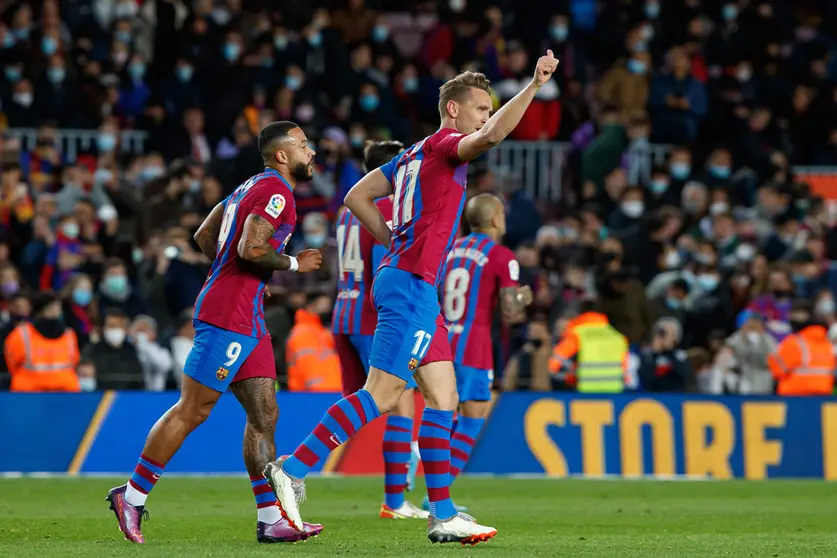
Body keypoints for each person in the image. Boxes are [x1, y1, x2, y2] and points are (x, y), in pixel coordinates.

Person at [265, 51, 560, 545]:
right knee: (382, 394)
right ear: (454, 112)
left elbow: (356, 196)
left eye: (489, 108)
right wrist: (532, 85)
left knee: (443, 397)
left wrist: (392, 237)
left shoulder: (412, 153)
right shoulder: (447, 145)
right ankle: (294, 468)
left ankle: (442, 514)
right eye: (480, 108)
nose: (485, 117)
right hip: (408, 283)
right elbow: (492, 138)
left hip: (415, 284)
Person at [106, 121, 324, 545]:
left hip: (249, 315)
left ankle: (269, 518)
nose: (311, 151)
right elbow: (250, 248)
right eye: (303, 144)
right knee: (194, 410)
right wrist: (295, 265)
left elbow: (206, 235)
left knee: (264, 414)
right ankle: (130, 496)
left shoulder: (248, 187)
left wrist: (232, 272)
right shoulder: (277, 192)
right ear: (282, 154)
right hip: (229, 314)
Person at [331, 140, 429, 519]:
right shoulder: (386, 206)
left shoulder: (346, 213)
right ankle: (394, 499)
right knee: (400, 402)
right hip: (373, 316)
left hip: (345, 312)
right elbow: (386, 259)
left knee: (371, 400)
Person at [438, 193, 532, 507]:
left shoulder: (450, 249)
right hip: (473, 346)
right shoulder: (502, 256)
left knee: (443, 412)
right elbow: (509, 310)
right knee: (473, 418)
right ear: (494, 219)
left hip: (440, 340)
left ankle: (421, 461)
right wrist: (523, 299)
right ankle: (437, 494)